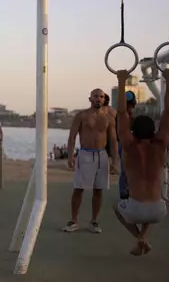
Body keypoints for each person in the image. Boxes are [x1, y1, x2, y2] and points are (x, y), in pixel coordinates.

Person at [113, 69, 169, 256]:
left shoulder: (129, 145)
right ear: (153, 130)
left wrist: (121, 81)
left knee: (117, 207)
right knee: (152, 210)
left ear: (133, 131)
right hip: (158, 210)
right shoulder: (161, 143)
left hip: (135, 209)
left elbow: (121, 112)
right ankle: (144, 237)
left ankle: (140, 238)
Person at [63, 88, 118, 234]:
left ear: (103, 99)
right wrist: (70, 156)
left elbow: (113, 140)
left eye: (101, 96)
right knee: (79, 188)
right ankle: (74, 220)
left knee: (98, 189)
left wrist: (115, 161)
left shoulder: (109, 119)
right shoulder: (81, 116)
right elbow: (72, 136)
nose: (98, 99)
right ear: (90, 99)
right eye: (95, 96)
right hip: (85, 154)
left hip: (101, 155)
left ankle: (94, 221)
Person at [118, 91, 137, 199]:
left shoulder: (126, 114)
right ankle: (124, 192)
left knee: (127, 169)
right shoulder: (124, 114)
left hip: (125, 142)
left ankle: (126, 190)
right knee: (126, 169)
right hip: (125, 143)